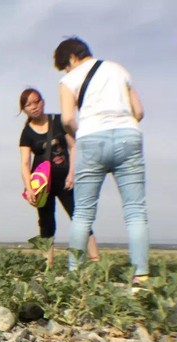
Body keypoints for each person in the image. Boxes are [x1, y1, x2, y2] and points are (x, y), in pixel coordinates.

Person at [53, 37, 148, 284]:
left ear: (71, 58)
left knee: (83, 212)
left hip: (91, 139)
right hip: (128, 136)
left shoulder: (69, 80)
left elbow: (67, 119)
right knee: (135, 210)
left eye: (65, 66)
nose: (66, 71)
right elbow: (138, 111)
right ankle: (141, 276)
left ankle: (75, 274)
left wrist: (82, 133)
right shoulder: (119, 70)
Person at [19, 88, 99, 267]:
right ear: (24, 109)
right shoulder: (27, 133)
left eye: (36, 102)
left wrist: (72, 173)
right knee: (46, 223)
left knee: (79, 217)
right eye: (28, 105)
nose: (33, 107)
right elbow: (25, 164)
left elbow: (73, 146)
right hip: (42, 186)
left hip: (65, 181)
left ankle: (96, 260)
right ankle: (49, 265)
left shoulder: (58, 121)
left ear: (43, 102)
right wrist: (29, 188)